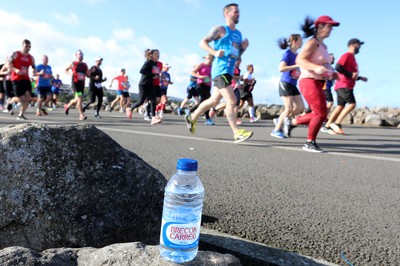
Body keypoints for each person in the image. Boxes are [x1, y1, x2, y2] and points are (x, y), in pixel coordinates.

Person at [185, 3, 253, 143]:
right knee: (232, 100)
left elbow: (236, 56)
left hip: (228, 71)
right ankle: (236, 133)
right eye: (235, 11)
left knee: (213, 101)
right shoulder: (220, 30)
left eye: (238, 11)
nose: (238, 14)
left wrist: (243, 49)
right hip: (219, 70)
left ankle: (192, 117)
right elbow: (202, 42)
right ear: (227, 14)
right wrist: (214, 52)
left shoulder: (238, 34)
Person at [283, 15, 340, 152]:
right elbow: (300, 60)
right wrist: (315, 68)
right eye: (329, 26)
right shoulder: (312, 42)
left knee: (320, 114)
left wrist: (332, 73)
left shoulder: (323, 46)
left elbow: (324, 65)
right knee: (320, 113)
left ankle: (292, 122)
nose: (331, 29)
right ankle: (309, 143)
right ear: (320, 26)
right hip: (308, 81)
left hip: (318, 82)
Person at [323, 39, 368, 135]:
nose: (359, 47)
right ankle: (337, 123)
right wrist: (351, 74)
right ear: (352, 45)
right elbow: (338, 67)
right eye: (358, 45)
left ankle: (327, 126)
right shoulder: (347, 55)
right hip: (344, 85)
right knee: (352, 104)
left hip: (342, 85)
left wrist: (360, 78)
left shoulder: (353, 58)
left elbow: (351, 75)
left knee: (340, 106)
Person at [270, 34, 304, 139]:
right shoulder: (288, 54)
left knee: (300, 107)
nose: (302, 42)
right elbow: (281, 68)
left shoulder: (298, 55)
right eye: (300, 40)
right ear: (294, 41)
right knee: (288, 108)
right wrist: (296, 66)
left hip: (293, 84)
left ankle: (280, 119)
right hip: (285, 83)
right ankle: (276, 130)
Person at [126, 49, 161, 125]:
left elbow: (154, 74)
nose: (158, 55)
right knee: (141, 101)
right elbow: (142, 71)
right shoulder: (148, 62)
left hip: (151, 85)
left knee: (153, 101)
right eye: (156, 54)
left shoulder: (155, 64)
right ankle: (130, 108)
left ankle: (153, 118)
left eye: (158, 54)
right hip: (144, 84)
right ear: (151, 55)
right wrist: (153, 75)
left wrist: (157, 76)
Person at [9, 39, 37, 120]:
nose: (28, 48)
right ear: (22, 46)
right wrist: (16, 69)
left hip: (25, 79)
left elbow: (33, 66)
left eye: (29, 47)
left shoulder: (31, 57)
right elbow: (9, 64)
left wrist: (34, 71)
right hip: (16, 79)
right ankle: (10, 102)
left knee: (28, 97)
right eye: (26, 46)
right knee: (21, 99)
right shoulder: (15, 54)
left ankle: (21, 114)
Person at [210, 57, 243, 125]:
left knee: (233, 102)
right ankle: (234, 118)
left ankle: (215, 109)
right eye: (238, 60)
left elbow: (236, 77)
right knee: (234, 102)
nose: (239, 62)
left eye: (240, 60)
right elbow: (231, 76)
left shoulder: (237, 68)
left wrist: (241, 80)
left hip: (236, 86)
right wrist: (238, 77)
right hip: (231, 86)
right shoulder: (233, 67)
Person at [188, 54, 214, 125]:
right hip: (200, 84)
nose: (210, 60)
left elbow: (212, 75)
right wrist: (200, 76)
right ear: (205, 58)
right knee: (205, 101)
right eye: (209, 58)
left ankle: (190, 111)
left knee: (206, 102)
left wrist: (211, 78)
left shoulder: (212, 66)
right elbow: (192, 72)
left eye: (211, 59)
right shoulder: (201, 65)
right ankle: (208, 119)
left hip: (208, 85)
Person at [64, 49, 90, 120]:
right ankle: (81, 115)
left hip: (81, 84)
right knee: (80, 98)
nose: (81, 55)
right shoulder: (73, 63)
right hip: (75, 83)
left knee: (76, 100)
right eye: (79, 54)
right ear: (76, 55)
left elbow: (88, 74)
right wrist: (70, 73)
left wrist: (89, 74)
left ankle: (67, 106)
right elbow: (65, 70)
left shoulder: (85, 65)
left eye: (82, 54)